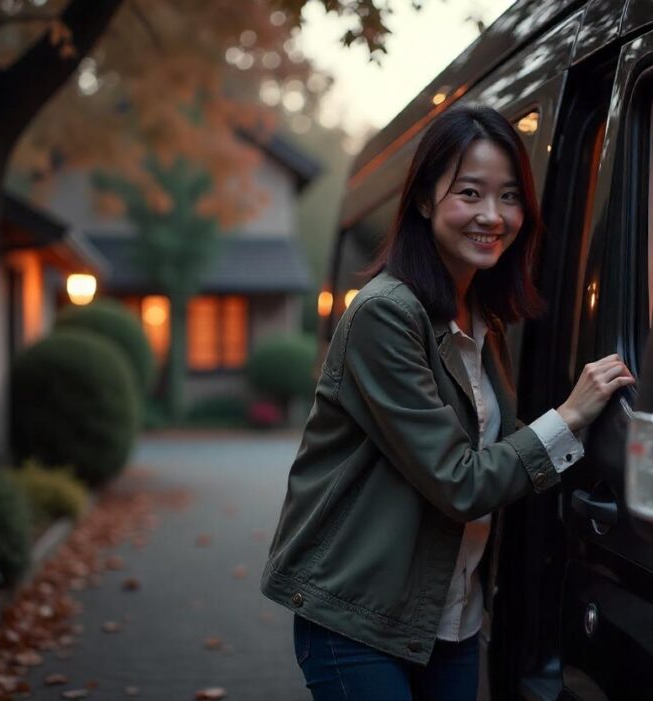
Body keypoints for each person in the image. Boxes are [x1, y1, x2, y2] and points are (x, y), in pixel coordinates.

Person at [260, 104, 634, 700]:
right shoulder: (386, 313)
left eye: (510, 197)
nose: (493, 215)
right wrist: (569, 416)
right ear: (426, 201)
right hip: (357, 616)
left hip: (452, 615)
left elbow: (500, 451)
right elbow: (458, 481)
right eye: (470, 193)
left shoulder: (481, 317)